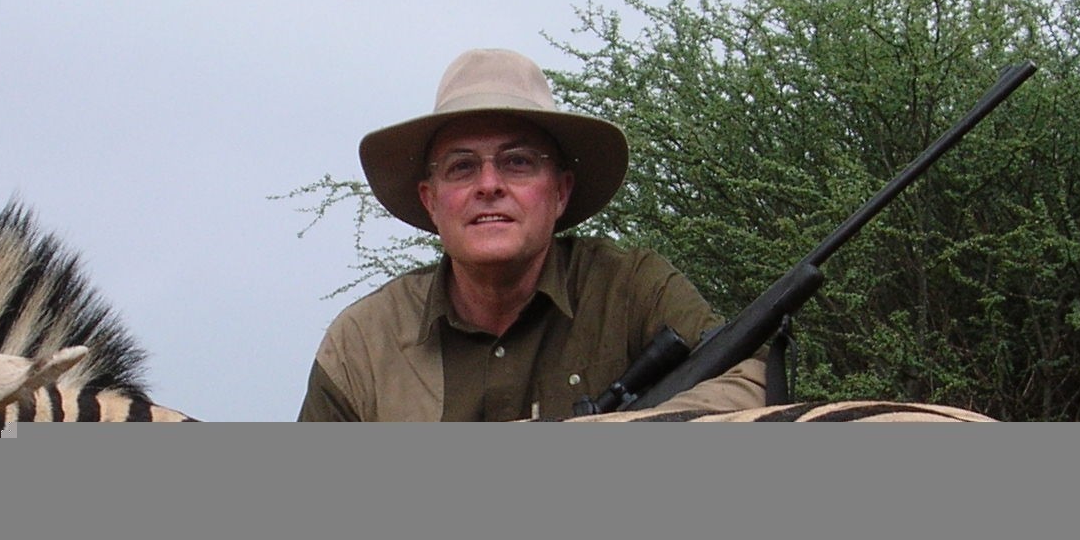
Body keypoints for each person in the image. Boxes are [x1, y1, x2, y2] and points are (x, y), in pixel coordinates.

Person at [298, 48, 768, 420]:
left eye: (517, 162)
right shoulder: (362, 343)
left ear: (560, 192)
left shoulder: (633, 288)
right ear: (431, 201)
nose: (489, 185)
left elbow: (753, 377)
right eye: (462, 168)